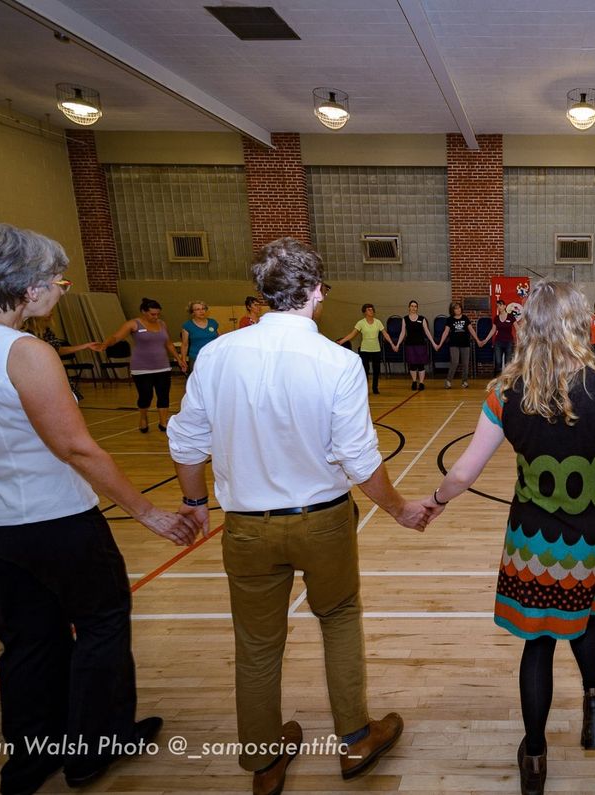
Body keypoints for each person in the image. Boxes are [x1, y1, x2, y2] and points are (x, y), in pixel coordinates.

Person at [168, 237, 430, 795]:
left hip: (245, 525)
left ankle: (264, 761)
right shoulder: (337, 361)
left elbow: (187, 443)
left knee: (257, 642)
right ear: (315, 293)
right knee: (338, 619)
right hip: (322, 518)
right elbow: (359, 457)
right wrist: (401, 509)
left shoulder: (216, 355)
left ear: (262, 295)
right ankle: (356, 737)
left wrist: (195, 505)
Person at [0, 224, 197, 794]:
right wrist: (147, 512)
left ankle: (32, 758)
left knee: (27, 639)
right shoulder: (25, 351)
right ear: (29, 287)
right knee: (101, 622)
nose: (62, 291)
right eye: (58, 282)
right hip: (47, 520)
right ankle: (94, 747)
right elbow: (76, 446)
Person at [424, 281, 595, 795]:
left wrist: (433, 503)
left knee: (540, 641)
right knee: (586, 616)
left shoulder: (503, 394)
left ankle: (534, 756)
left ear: (527, 326)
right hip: (594, 542)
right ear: (577, 324)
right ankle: (593, 708)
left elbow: (462, 473)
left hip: (533, 544)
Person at [102, 298, 187, 433]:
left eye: (158, 314)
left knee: (163, 394)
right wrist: (105, 344)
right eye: (152, 314)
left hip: (162, 366)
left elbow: (168, 343)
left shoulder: (162, 324)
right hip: (141, 367)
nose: (156, 317)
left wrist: (179, 359)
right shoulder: (133, 324)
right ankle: (143, 417)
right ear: (143, 312)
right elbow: (116, 337)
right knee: (146, 395)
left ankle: (163, 422)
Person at [337, 303, 392, 395]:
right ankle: (364, 388)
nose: (371, 311)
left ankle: (375, 387)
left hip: (376, 349)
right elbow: (352, 334)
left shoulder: (378, 322)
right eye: (369, 310)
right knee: (365, 370)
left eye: (372, 309)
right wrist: (342, 341)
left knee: (376, 369)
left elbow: (385, 334)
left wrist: (392, 344)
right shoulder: (361, 323)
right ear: (365, 312)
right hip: (365, 349)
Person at [436, 301, 487, 389]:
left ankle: (464, 381)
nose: (458, 310)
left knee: (465, 363)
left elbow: (471, 330)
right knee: (454, 362)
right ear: (452, 310)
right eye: (456, 308)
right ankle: (448, 381)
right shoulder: (449, 319)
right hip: (454, 344)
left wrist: (478, 340)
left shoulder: (465, 318)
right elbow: (446, 332)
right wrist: (440, 344)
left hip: (465, 344)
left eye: (459, 308)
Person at [390, 300, 435, 391]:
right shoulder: (405, 319)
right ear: (409, 307)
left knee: (421, 365)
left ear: (417, 308)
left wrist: (433, 343)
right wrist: (397, 344)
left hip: (421, 345)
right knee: (413, 365)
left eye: (415, 306)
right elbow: (402, 333)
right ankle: (414, 382)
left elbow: (427, 331)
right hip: (410, 345)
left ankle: (421, 383)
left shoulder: (422, 319)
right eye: (412, 306)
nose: (414, 308)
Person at [179, 300, 219, 371]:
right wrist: (183, 360)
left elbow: (219, 339)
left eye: (203, 309)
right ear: (192, 312)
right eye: (198, 309)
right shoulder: (187, 325)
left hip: (213, 356)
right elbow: (185, 344)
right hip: (196, 357)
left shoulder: (213, 322)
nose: (201, 311)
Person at [493, 299, 517, 373]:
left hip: (508, 342)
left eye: (500, 305)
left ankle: (507, 382)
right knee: (498, 362)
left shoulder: (511, 317)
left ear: (504, 306)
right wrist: (485, 340)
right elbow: (493, 330)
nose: (499, 307)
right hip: (498, 342)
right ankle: (498, 381)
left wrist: (524, 338)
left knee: (508, 363)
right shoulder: (496, 318)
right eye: (497, 306)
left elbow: (518, 328)